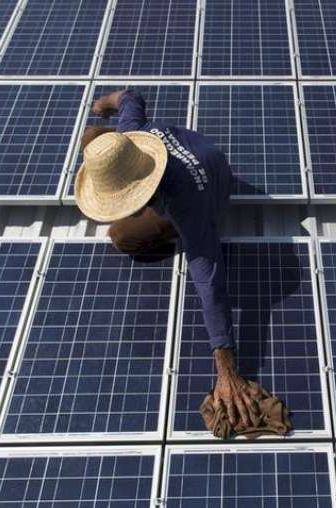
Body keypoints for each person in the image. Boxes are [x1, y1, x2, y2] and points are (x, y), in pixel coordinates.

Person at [75, 89, 258, 429]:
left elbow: (210, 282)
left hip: (212, 192)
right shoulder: (133, 136)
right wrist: (105, 104)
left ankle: (169, 235)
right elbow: (130, 97)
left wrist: (226, 367)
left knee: (121, 236)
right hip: (204, 154)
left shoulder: (184, 203)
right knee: (92, 139)